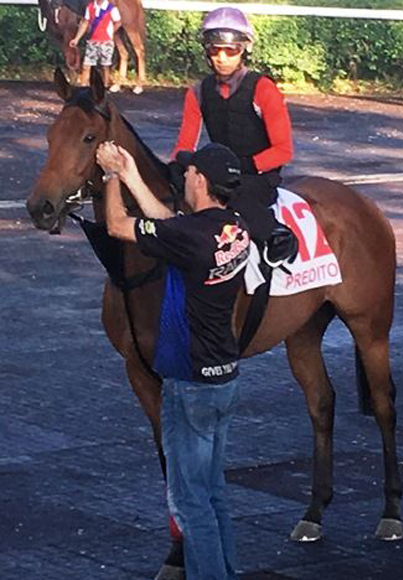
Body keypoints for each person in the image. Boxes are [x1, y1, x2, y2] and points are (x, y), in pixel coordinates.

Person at [96, 141, 250, 580]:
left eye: (188, 172)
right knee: (214, 491)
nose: (182, 176)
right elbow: (171, 225)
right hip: (225, 380)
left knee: (188, 500)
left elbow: (117, 225)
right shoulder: (232, 230)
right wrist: (132, 176)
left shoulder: (190, 237)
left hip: (190, 383)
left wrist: (109, 176)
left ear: (200, 180)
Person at [171, 6, 298, 267]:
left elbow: (283, 150)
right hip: (218, 173)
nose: (221, 57)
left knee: (230, 196)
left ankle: (277, 235)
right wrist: (179, 163)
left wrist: (241, 166)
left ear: (243, 50)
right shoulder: (197, 93)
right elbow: (184, 144)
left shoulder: (264, 89)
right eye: (214, 50)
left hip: (258, 176)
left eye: (230, 51)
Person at [69, 0, 121, 89]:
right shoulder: (90, 7)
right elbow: (85, 22)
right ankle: (83, 87)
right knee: (86, 65)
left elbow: (118, 22)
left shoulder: (111, 8)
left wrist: (110, 33)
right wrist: (77, 38)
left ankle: (105, 87)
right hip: (93, 41)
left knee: (105, 66)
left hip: (106, 42)